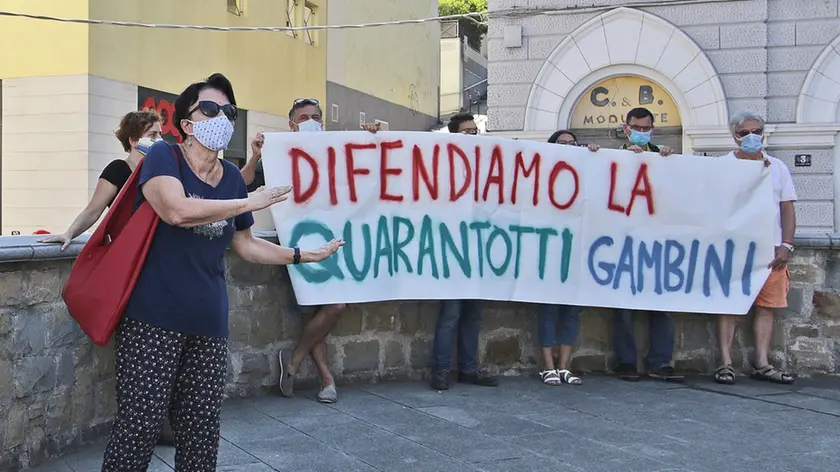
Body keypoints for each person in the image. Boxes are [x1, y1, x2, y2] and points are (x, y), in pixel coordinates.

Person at [100, 73, 343, 472]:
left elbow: (245, 244)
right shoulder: (164, 157)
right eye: (210, 109)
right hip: (152, 319)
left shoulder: (231, 177)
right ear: (188, 124)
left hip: (209, 323)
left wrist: (301, 255)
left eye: (228, 111)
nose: (223, 117)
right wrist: (246, 200)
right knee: (137, 430)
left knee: (201, 434)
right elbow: (175, 210)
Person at [241, 98, 378, 404]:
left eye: (316, 117)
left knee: (335, 306)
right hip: (298, 242)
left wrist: (372, 138)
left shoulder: (335, 153)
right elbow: (242, 184)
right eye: (304, 117)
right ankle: (326, 380)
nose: (311, 121)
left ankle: (292, 362)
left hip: (332, 243)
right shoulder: (277, 158)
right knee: (312, 308)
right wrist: (255, 156)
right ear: (291, 125)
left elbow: (373, 171)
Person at [714, 111, 797, 385]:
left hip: (770, 249)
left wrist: (786, 244)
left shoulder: (778, 167)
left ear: (763, 132)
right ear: (734, 136)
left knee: (766, 306)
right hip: (733, 248)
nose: (751, 137)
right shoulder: (721, 167)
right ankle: (725, 363)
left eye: (756, 131)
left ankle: (761, 362)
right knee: (729, 305)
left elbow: (787, 208)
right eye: (744, 132)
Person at [430, 112, 499, 391]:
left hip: (479, 253)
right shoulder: (442, 163)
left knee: (473, 315)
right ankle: (442, 370)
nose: (472, 136)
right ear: (454, 133)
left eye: (475, 132)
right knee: (451, 315)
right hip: (453, 253)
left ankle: (468, 368)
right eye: (466, 132)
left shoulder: (485, 162)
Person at [613, 109, 681, 382]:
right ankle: (626, 362)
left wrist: (670, 161)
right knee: (623, 308)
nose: (641, 131)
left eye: (646, 127)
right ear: (626, 128)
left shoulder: (663, 156)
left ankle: (660, 362)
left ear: (653, 129)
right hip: (623, 243)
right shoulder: (613, 156)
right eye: (636, 127)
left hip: (659, 244)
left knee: (663, 306)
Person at [39, 110, 163, 250]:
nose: (160, 140)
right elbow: (93, 210)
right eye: (153, 135)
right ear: (133, 141)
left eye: (160, 134)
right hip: (130, 249)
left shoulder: (160, 171)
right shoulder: (117, 170)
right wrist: (69, 233)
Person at [536, 130, 599, 386]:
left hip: (576, 253)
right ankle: (548, 366)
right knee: (549, 310)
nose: (569, 147)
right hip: (549, 252)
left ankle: (564, 366)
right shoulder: (542, 172)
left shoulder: (584, 170)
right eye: (563, 144)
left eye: (573, 144)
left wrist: (595, 156)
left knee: (571, 312)